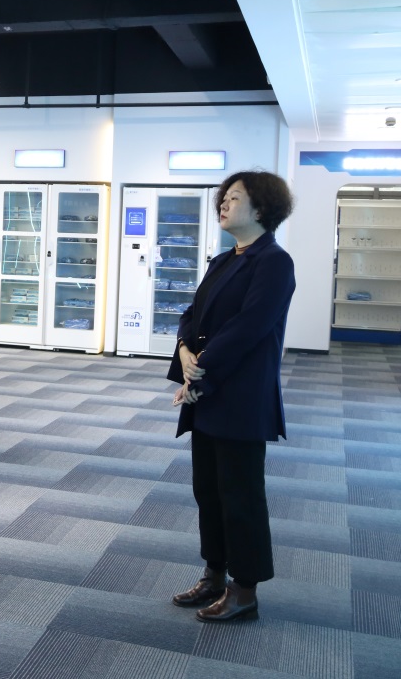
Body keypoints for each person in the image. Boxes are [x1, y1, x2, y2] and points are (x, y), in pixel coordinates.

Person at [167, 169, 295, 623]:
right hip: (208, 389)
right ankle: (214, 574)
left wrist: (199, 368)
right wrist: (184, 351)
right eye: (224, 197)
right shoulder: (223, 260)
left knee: (240, 495)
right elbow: (192, 314)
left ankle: (245, 590)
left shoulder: (274, 262)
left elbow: (249, 327)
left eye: (234, 198)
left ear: (262, 208)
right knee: (208, 490)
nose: (223, 203)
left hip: (240, 394)